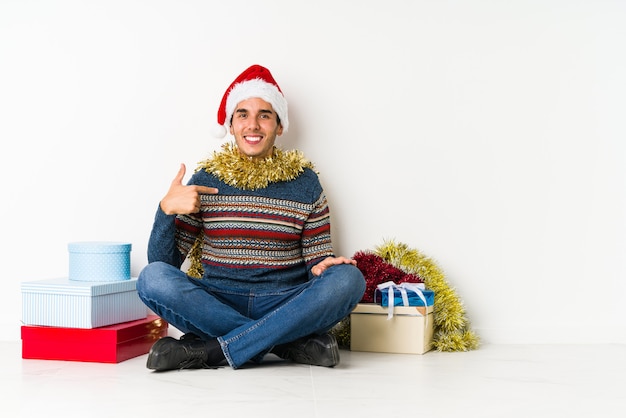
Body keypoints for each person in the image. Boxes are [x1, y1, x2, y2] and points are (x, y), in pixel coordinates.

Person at [137, 64, 366, 371]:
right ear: (231, 125)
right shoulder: (207, 178)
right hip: (217, 300)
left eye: (265, 115)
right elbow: (163, 265)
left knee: (349, 279)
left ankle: (213, 350)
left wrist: (323, 266)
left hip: (284, 300)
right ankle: (285, 342)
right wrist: (165, 210)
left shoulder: (306, 183)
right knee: (151, 279)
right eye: (243, 114)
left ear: (279, 125)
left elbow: (317, 261)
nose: (253, 125)